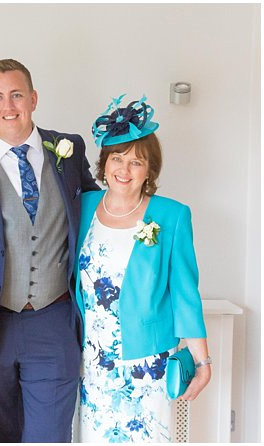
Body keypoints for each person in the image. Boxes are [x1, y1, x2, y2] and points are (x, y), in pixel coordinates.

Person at [0, 59, 99, 442]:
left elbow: (98, 209)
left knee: (49, 436)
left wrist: (145, 219)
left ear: (33, 98)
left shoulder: (69, 149)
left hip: (54, 320)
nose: (8, 105)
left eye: (16, 95)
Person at [75, 95, 211, 442]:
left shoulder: (172, 215)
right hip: (91, 362)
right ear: (103, 164)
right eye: (117, 158)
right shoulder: (81, 206)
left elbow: (184, 292)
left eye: (136, 162)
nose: (124, 169)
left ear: (150, 170)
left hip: (148, 364)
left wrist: (203, 362)